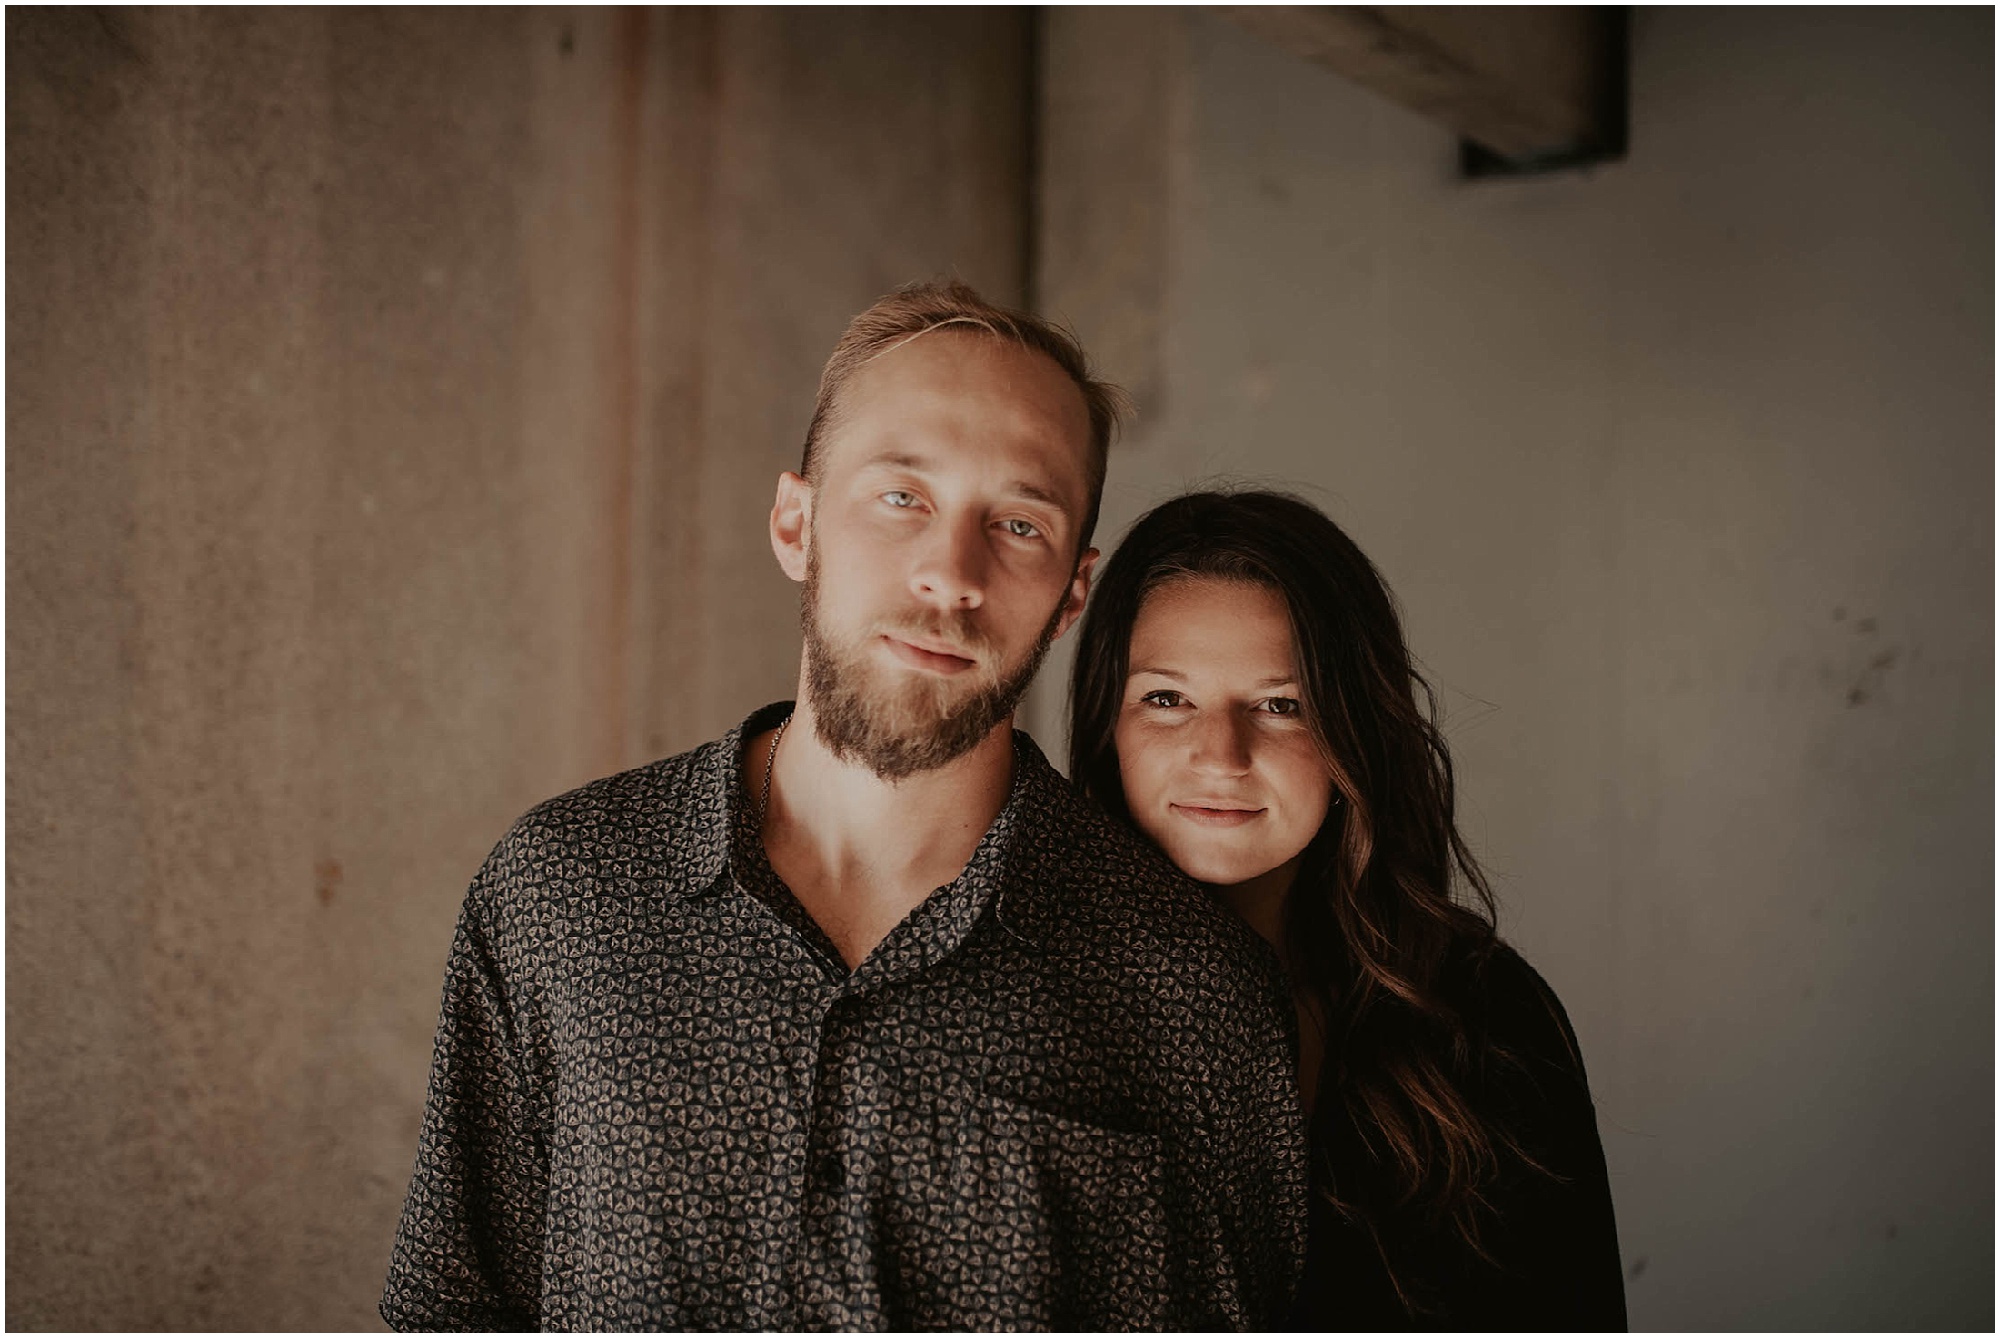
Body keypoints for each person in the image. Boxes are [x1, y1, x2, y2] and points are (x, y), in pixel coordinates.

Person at [380, 285, 1307, 1331]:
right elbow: (453, 1311)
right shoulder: (562, 889)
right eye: (901, 497)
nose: (949, 575)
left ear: (1072, 594)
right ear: (795, 520)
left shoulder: (1185, 983)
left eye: (1016, 523)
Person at [1068, 489, 1627, 1330]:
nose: (1221, 755)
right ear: (1107, 722)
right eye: (1166, 698)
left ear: (1353, 733)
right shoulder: (1030, 1004)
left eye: (1281, 705)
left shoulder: (1487, 1019)